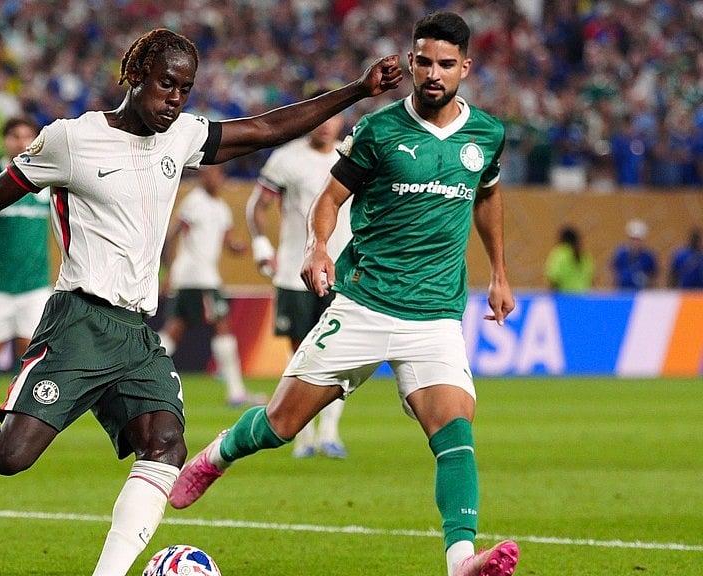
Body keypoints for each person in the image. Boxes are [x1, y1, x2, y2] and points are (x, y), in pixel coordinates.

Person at [0, 28, 402, 576]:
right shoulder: (72, 140)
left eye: (185, 89)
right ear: (135, 75)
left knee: (166, 444)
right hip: (79, 321)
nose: (175, 100)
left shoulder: (182, 137)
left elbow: (267, 129)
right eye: (165, 85)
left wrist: (357, 90)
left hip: (136, 331)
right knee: (10, 455)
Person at [170, 13, 520, 576]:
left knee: (455, 432)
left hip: (435, 316)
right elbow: (329, 199)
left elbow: (488, 196)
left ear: (465, 68)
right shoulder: (379, 130)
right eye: (424, 62)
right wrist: (317, 248)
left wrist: (500, 272)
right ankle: (218, 454)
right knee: (281, 424)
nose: (433, 73)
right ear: (411, 62)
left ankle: (461, 560)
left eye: (446, 64)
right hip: (365, 304)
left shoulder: (487, 134)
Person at [246, 95, 351, 459]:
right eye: (322, 115)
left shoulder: (352, 155)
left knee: (340, 353)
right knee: (300, 353)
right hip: (295, 271)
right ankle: (304, 436)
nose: (327, 124)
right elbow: (257, 206)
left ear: (341, 121)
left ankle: (330, 432)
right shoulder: (286, 158)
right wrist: (261, 246)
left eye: (334, 117)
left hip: (341, 272)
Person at [158, 163, 264, 408]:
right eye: (207, 175)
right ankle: (236, 392)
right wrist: (168, 270)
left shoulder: (221, 208)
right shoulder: (194, 202)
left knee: (175, 329)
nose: (211, 179)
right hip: (198, 277)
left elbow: (228, 241)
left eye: (215, 174)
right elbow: (172, 234)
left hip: (200, 277)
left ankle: (136, 372)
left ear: (222, 177)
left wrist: (237, 247)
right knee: (222, 327)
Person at [0, 117, 53, 419]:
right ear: (5, 140)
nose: (21, 142)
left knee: (27, 351)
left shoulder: (47, 176)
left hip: (35, 284)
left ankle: (18, 410)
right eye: (15, 136)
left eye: (27, 136)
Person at [610, 218, 657, 290]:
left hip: (642, 293)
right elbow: (613, 274)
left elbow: (654, 277)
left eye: (638, 240)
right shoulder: (620, 254)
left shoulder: (649, 257)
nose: (635, 242)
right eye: (633, 239)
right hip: (622, 291)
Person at [544, 224, 594, 292]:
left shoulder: (560, 253)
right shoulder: (585, 256)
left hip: (564, 296)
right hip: (583, 296)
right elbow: (590, 279)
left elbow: (553, 278)